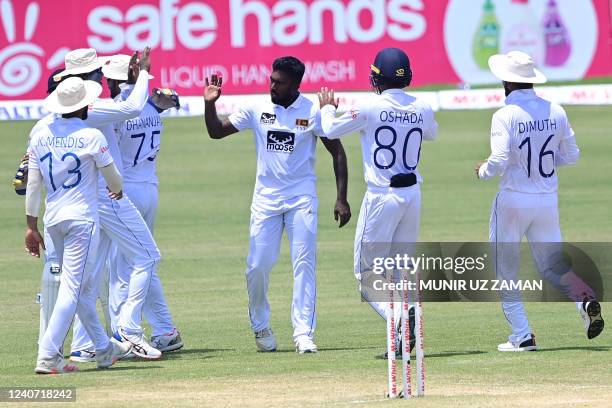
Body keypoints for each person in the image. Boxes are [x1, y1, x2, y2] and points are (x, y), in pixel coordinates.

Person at [203, 57, 351, 353]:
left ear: (296, 85)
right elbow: (216, 132)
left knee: (304, 264)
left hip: (301, 198)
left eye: (279, 82)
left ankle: (303, 334)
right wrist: (210, 104)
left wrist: (341, 197)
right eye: (271, 79)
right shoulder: (257, 108)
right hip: (265, 201)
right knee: (258, 266)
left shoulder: (312, 111)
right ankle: (261, 327)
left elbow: (338, 152)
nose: (272, 85)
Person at [475, 50, 604, 351]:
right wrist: (543, 162)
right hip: (546, 199)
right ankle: (584, 300)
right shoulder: (555, 110)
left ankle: (522, 335)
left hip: (513, 200)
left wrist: (482, 171)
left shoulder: (504, 115)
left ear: (506, 82)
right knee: (552, 266)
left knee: (505, 268)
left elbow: (500, 158)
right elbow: (572, 155)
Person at [317, 48, 438, 354]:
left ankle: (399, 318)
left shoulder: (370, 106)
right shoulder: (423, 107)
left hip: (383, 195)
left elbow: (330, 129)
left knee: (366, 274)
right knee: (399, 269)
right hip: (412, 194)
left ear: (377, 77)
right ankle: (403, 329)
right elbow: (432, 134)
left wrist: (327, 108)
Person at [51, 47, 163, 360]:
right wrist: (143, 73)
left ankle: (85, 346)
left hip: (84, 197)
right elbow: (131, 108)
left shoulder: (60, 109)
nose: (102, 76)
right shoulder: (89, 107)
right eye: (97, 72)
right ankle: (127, 329)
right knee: (148, 257)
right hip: (107, 195)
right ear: (90, 76)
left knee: (92, 272)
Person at [70, 54, 183, 357]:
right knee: (130, 264)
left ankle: (125, 333)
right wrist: (153, 87)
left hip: (121, 190)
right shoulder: (151, 104)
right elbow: (173, 100)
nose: (103, 83)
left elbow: (123, 115)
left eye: (108, 79)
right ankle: (162, 329)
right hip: (149, 187)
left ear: (115, 81)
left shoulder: (113, 108)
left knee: (119, 270)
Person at [26, 77, 130, 373]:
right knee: (73, 288)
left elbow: (33, 186)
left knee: (80, 287)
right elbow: (114, 180)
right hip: (81, 220)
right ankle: (48, 354)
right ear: (84, 104)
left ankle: (103, 349)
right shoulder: (91, 135)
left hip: (52, 219)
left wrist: (30, 226)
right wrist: (118, 189)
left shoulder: (40, 134)